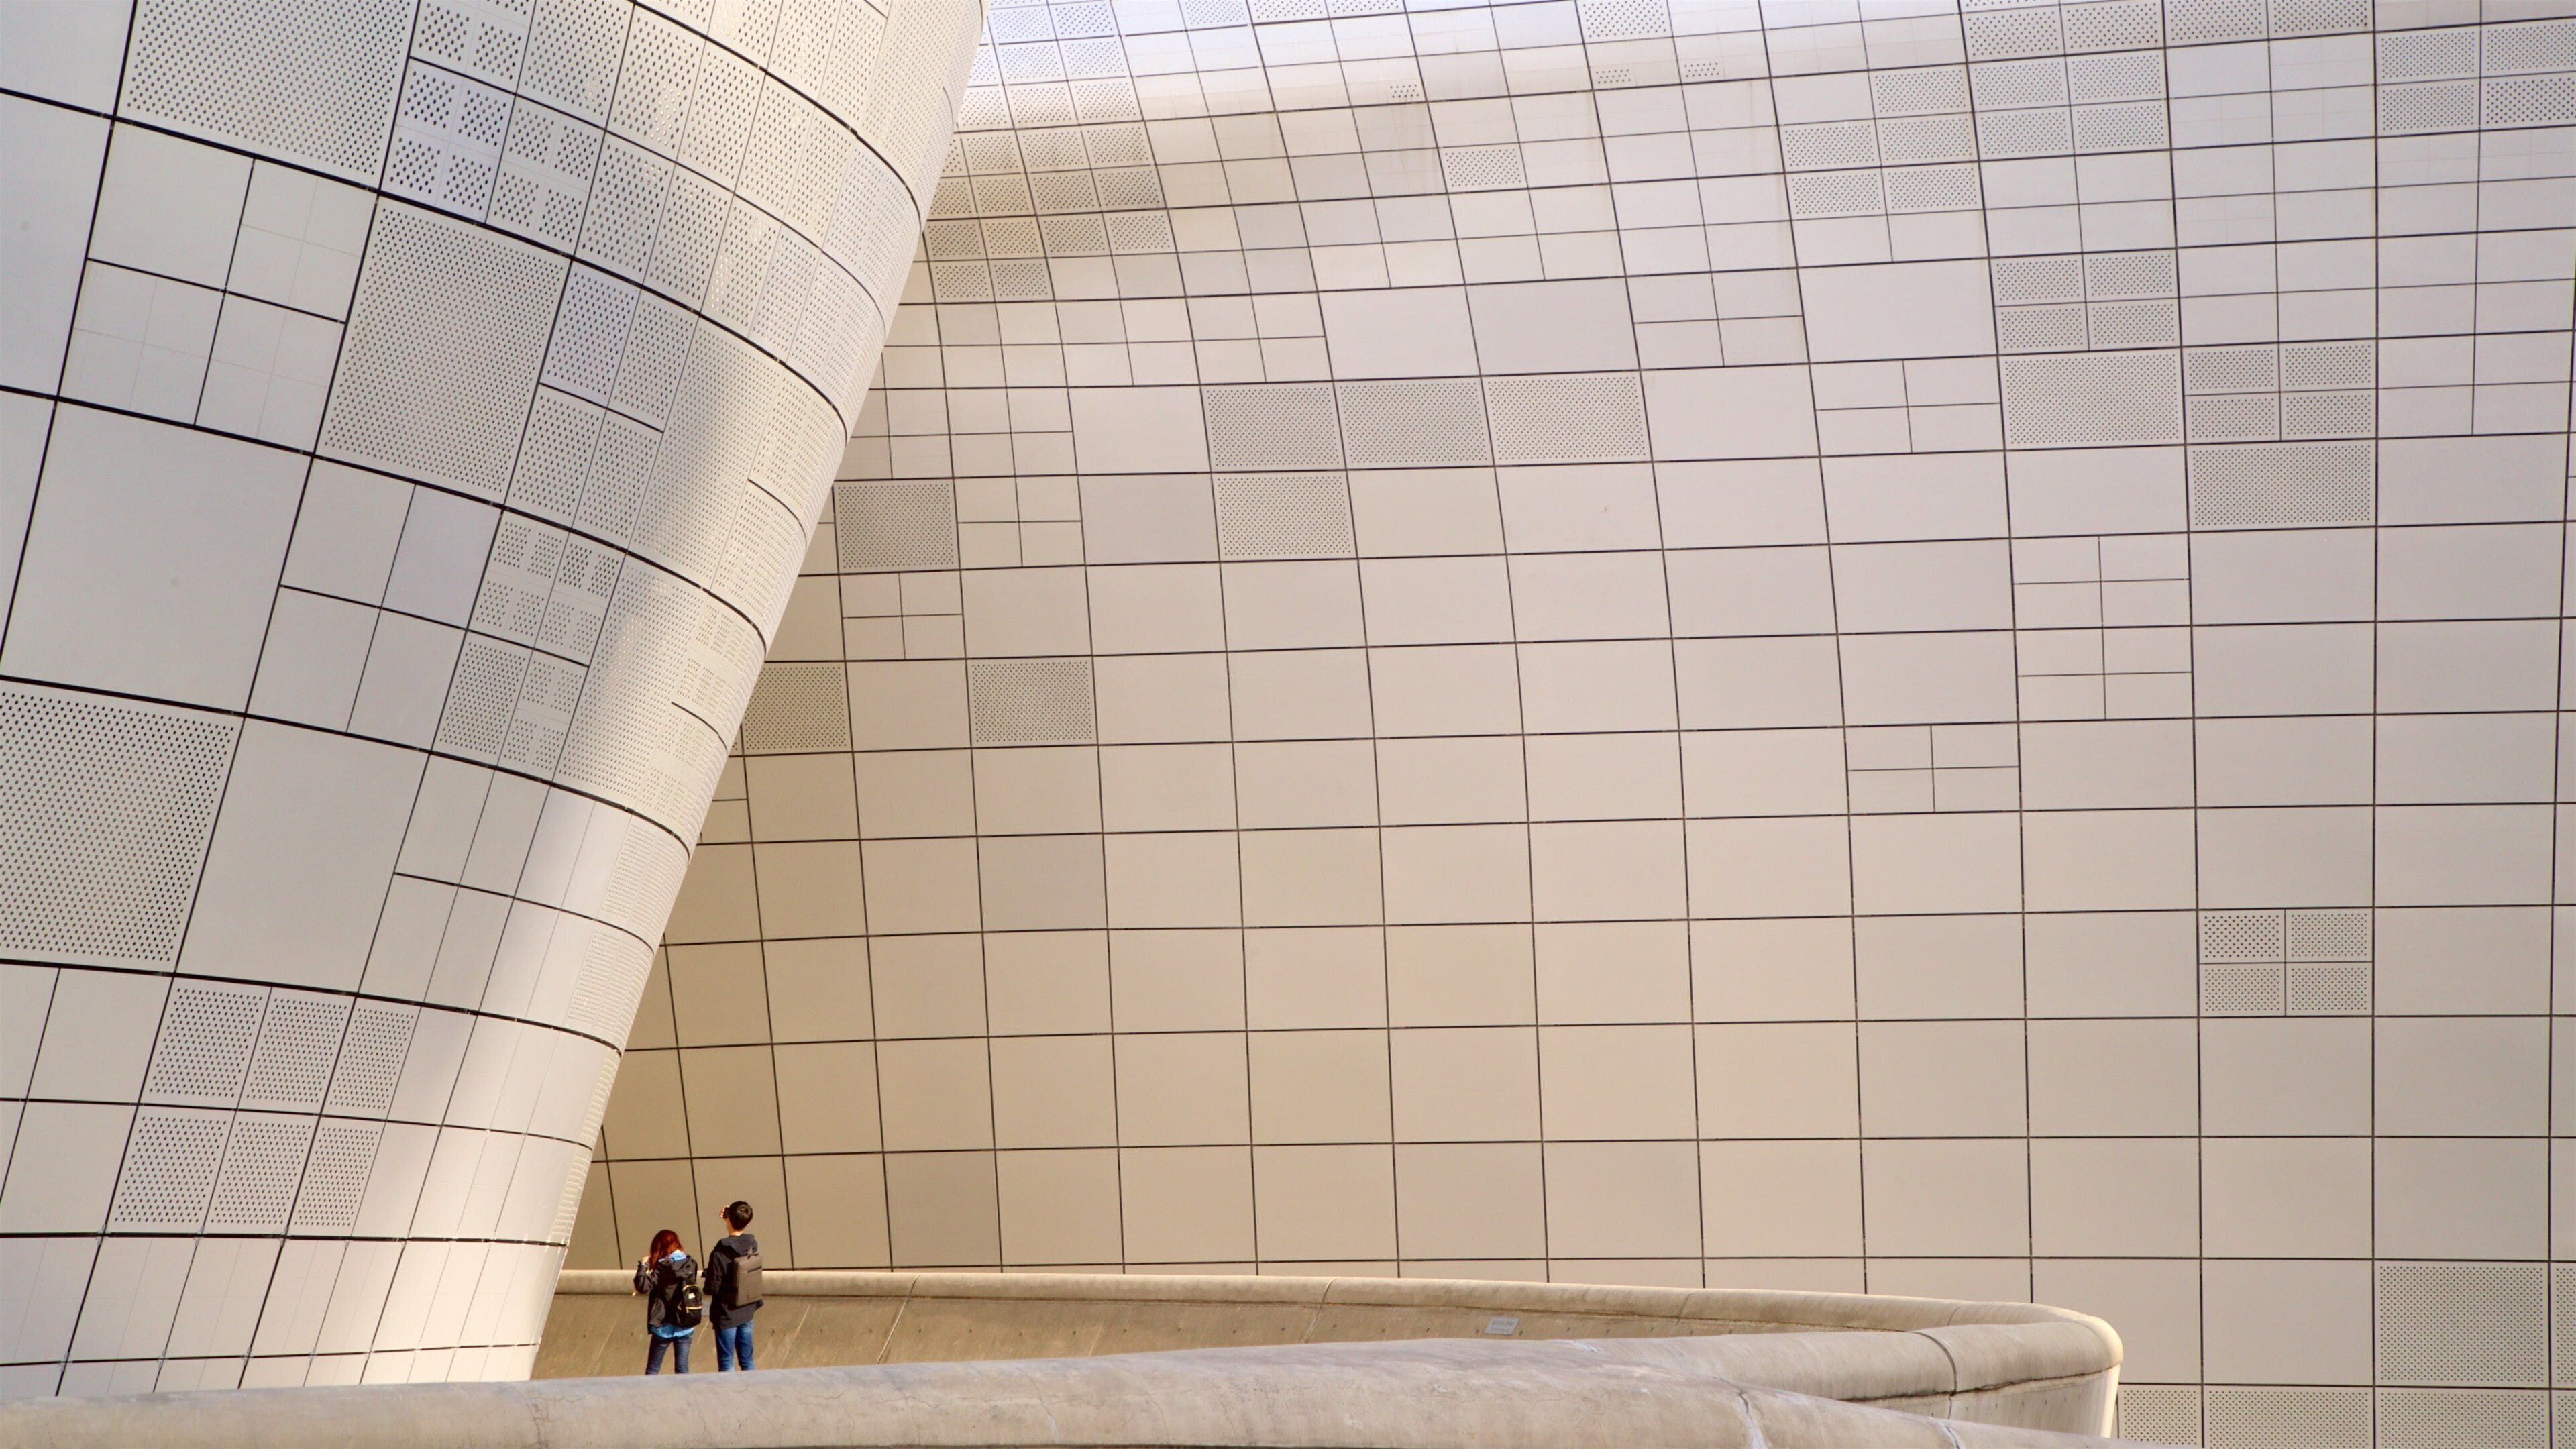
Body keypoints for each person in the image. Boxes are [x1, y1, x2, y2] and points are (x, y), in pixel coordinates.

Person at [704, 1200, 763, 1371]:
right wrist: (732, 1217)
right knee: (747, 1360)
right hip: (747, 1309)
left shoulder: (720, 1252)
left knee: (727, 1362)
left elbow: (711, 1288)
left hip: (727, 1314)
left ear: (728, 1219)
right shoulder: (752, 1245)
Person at [632, 1229, 702, 1374]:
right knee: (682, 1369)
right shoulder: (691, 1264)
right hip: (686, 1322)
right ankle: (684, 1396)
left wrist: (643, 1266)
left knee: (653, 1369)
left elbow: (642, 1286)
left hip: (665, 1326)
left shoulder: (664, 1268)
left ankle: (647, 1396)